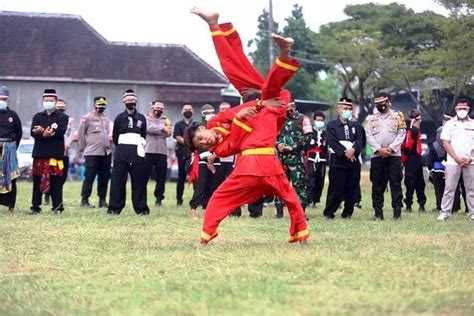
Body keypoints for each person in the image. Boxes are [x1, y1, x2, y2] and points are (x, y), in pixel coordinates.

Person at [186, 15, 308, 244]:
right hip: (262, 152)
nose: (205, 143)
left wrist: (251, 108)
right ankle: (282, 53)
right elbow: (235, 139)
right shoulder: (221, 147)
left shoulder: (216, 122)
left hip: (265, 125)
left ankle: (216, 26)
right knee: (288, 198)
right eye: (201, 145)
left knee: (234, 69)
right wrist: (252, 109)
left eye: (201, 138)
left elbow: (234, 117)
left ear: (203, 127)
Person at [107, 89, 149, 215]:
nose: (131, 102)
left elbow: (143, 135)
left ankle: (141, 209)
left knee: (139, 183)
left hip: (137, 154)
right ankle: (115, 208)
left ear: (136, 101)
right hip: (121, 154)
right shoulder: (119, 118)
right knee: (117, 182)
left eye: (133, 100)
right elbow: (115, 137)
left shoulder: (142, 118)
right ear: (124, 102)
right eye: (128, 100)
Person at [365, 92, 406, 220]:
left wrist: (390, 148)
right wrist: (379, 149)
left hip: (394, 156)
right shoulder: (371, 118)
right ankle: (378, 213)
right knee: (377, 184)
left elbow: (402, 133)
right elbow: (368, 135)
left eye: (382, 102)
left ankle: (397, 213)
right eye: (377, 103)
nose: (379, 105)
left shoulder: (398, 116)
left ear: (388, 102)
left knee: (395, 183)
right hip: (377, 156)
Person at [323, 98, 364, 219]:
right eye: (345, 109)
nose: (347, 111)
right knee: (336, 187)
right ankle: (330, 211)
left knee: (352, 187)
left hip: (353, 161)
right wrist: (344, 152)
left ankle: (348, 212)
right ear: (339, 110)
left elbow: (360, 140)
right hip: (338, 160)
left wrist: (353, 151)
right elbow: (332, 141)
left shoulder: (356, 125)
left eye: (349, 109)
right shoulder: (332, 125)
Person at [30, 89, 69, 215]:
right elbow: (33, 132)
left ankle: (57, 208)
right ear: (42, 101)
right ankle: (35, 207)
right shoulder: (37, 117)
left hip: (55, 155)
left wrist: (43, 131)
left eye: (51, 100)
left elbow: (60, 132)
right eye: (46, 100)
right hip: (40, 154)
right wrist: (44, 133)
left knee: (56, 182)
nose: (48, 102)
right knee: (37, 181)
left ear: (55, 101)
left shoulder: (62, 117)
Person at [437, 98, 474, 221]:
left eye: (465, 108)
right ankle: (445, 212)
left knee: (471, 189)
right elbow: (446, 143)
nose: (462, 110)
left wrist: (470, 158)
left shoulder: (473, 124)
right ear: (455, 109)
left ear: (469, 109)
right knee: (449, 188)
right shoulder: (449, 124)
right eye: (460, 108)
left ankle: (472, 212)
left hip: (471, 161)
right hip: (453, 162)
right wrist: (457, 159)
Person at [275, 101, 312, 218]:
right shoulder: (280, 119)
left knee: (299, 184)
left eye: (288, 109)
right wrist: (278, 145)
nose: (286, 112)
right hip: (282, 159)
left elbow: (308, 137)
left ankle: (300, 212)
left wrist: (293, 147)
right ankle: (279, 211)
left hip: (297, 158)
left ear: (294, 107)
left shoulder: (303, 119)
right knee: (281, 184)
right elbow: (272, 135)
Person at [77, 96, 113, 208]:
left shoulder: (106, 119)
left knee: (104, 177)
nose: (101, 107)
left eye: (103, 105)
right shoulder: (87, 118)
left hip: (106, 152)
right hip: (92, 152)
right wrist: (83, 148)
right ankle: (84, 200)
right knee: (90, 177)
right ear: (94, 105)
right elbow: (80, 134)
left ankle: (102, 200)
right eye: (99, 105)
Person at [188, 104, 220, 219]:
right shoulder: (199, 127)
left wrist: (215, 156)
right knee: (201, 185)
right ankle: (193, 209)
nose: (209, 115)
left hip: (216, 157)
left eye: (211, 112)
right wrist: (207, 158)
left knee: (212, 185)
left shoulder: (217, 125)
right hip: (203, 158)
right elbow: (197, 144)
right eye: (206, 112)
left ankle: (206, 209)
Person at [145, 100, 172, 206]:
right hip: (148, 150)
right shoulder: (146, 118)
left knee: (161, 177)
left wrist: (164, 130)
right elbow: (147, 128)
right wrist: (162, 129)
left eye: (161, 108)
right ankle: (142, 197)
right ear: (152, 107)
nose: (159, 110)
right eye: (157, 107)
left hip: (162, 151)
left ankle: (159, 198)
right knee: (144, 176)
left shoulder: (166, 120)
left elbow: (169, 133)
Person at [0, 86, 22, 212]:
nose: (1, 100)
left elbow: (18, 133)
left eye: (4, 98)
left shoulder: (13, 115)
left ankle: (11, 205)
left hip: (9, 149)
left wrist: (12, 148)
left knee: (11, 177)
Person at [401, 109, 427, 212]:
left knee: (418, 182)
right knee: (412, 182)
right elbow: (407, 147)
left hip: (415, 160)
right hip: (412, 160)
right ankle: (410, 204)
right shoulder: (413, 131)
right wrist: (403, 161)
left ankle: (417, 204)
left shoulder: (413, 131)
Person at [305, 111, 327, 208]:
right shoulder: (309, 132)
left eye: (321, 120)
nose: (320, 122)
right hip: (311, 157)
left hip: (322, 158)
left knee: (320, 179)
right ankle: (308, 199)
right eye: (318, 120)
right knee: (310, 179)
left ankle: (315, 200)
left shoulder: (325, 133)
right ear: (314, 121)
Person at [173, 104, 194, 206]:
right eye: (185, 110)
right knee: (181, 177)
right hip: (181, 153)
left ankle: (196, 200)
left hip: (193, 153)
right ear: (182, 111)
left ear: (192, 111)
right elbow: (177, 137)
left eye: (189, 109)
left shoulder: (196, 124)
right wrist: (188, 142)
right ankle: (179, 199)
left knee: (195, 176)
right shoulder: (178, 124)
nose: (187, 111)